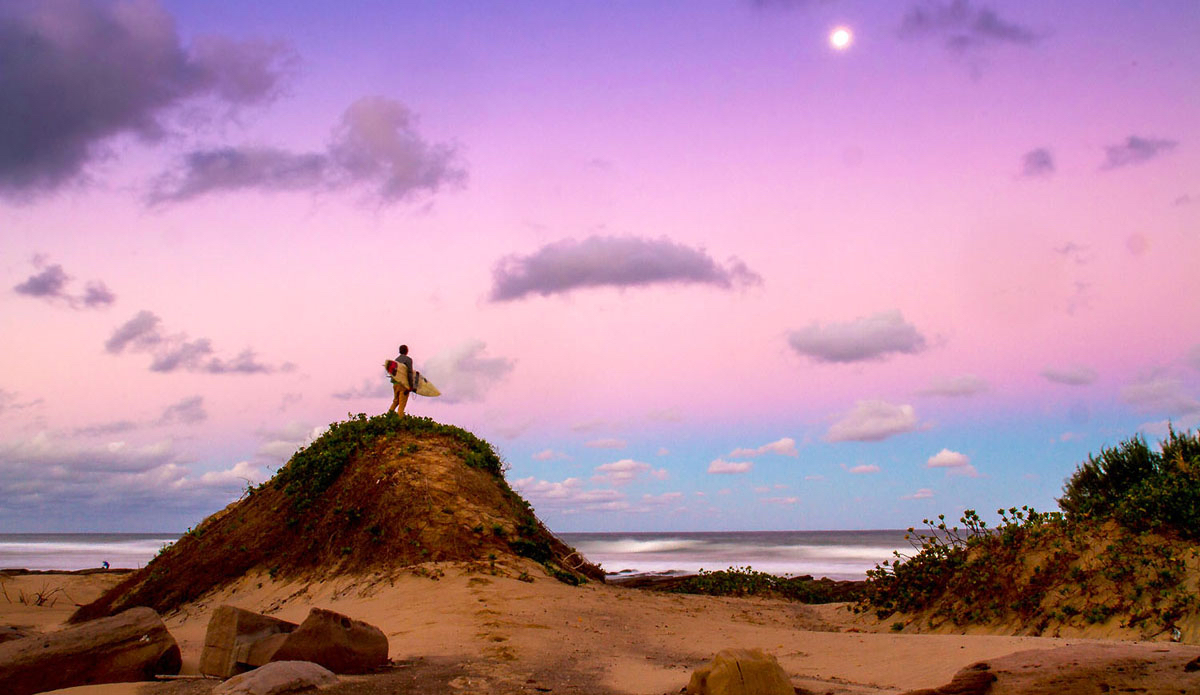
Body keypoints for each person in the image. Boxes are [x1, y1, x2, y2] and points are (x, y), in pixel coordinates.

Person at [388, 344, 415, 415]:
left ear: (399, 351)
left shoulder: (396, 360)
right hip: (403, 385)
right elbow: (409, 373)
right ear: (407, 351)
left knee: (395, 402)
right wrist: (411, 386)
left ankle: (388, 416)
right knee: (402, 405)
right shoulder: (408, 360)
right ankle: (400, 420)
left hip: (395, 384)